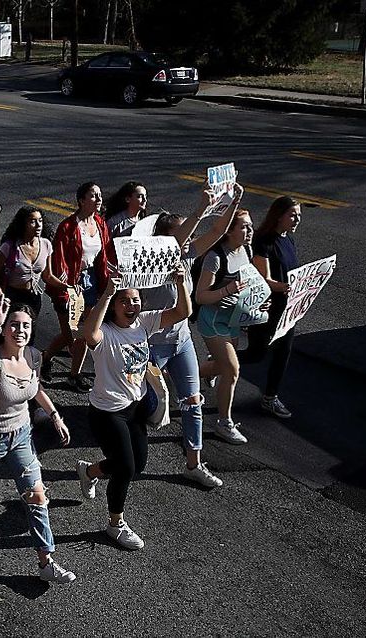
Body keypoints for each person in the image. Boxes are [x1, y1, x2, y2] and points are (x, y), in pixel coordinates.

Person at [0, 295, 76, 584]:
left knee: (37, 495)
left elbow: (37, 388)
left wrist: (55, 414)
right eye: (14, 325)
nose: (20, 330)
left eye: (26, 326)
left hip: (21, 436)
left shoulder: (33, 356)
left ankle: (46, 560)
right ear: (5, 329)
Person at [77, 267, 191, 550]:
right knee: (126, 468)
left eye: (136, 300)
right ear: (114, 304)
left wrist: (179, 282)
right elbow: (88, 332)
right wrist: (105, 294)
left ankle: (90, 472)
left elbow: (182, 312)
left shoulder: (144, 323)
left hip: (135, 408)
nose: (132, 306)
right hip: (107, 412)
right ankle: (115, 524)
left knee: (137, 464)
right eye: (124, 301)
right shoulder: (104, 333)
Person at [141, 187, 241, 488]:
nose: (187, 241)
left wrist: (232, 203)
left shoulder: (185, 256)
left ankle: (193, 464)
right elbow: (180, 238)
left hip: (181, 341)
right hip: (153, 344)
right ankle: (126, 450)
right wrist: (199, 209)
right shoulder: (151, 260)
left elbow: (217, 230)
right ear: (164, 239)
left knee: (192, 401)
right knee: (144, 406)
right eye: (182, 232)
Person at [237, 196, 302, 419]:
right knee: (257, 354)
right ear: (279, 215)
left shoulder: (289, 241)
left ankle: (270, 397)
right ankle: (218, 362)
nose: (297, 220)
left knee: (284, 352)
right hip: (267, 308)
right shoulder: (264, 242)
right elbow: (263, 278)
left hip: (287, 309)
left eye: (299, 216)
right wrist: (284, 286)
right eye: (293, 215)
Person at [42, 182, 112, 392]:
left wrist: (107, 280)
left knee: (84, 330)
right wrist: (67, 288)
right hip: (71, 284)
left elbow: (106, 254)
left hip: (92, 281)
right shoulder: (68, 227)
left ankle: (74, 375)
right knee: (70, 334)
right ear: (81, 201)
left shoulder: (100, 223)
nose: (98, 199)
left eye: (99, 195)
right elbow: (59, 261)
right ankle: (45, 357)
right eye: (93, 195)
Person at [195, 209, 255, 445]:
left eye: (250, 226)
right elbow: (200, 297)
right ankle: (224, 423)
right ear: (229, 231)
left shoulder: (247, 250)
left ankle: (180, 374)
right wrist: (228, 290)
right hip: (212, 320)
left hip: (233, 319)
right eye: (243, 227)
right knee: (232, 370)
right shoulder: (215, 257)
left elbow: (250, 282)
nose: (249, 231)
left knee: (221, 366)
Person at [0, 205, 66, 321]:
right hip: (12, 297)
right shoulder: (9, 247)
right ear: (23, 225)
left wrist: (66, 286)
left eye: (40, 221)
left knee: (30, 334)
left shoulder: (46, 245)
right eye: (32, 221)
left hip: (33, 298)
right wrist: (1, 295)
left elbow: (48, 276)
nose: (38, 225)